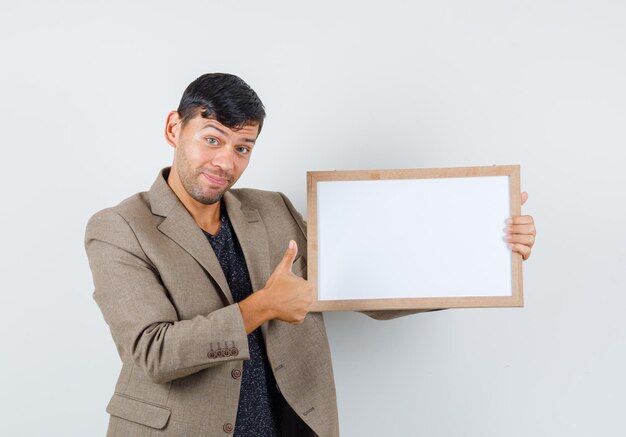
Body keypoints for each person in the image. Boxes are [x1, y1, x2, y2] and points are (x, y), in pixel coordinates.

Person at [85, 73, 536, 437]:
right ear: (173, 129)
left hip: (290, 425)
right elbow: (153, 352)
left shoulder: (273, 209)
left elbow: (363, 288)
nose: (226, 162)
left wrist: (491, 251)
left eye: (243, 148)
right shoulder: (119, 228)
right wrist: (261, 306)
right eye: (212, 139)